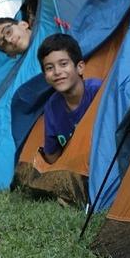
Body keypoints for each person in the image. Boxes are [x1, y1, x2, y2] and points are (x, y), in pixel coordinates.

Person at [36, 33, 101, 164]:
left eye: (63, 64)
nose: (57, 72)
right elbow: (52, 155)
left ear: (80, 67)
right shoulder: (52, 108)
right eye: (49, 68)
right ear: (45, 76)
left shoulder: (99, 91)